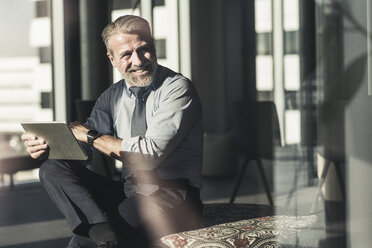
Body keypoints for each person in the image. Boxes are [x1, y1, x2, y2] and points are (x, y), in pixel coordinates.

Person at [22, 15, 203, 248]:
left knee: (80, 244)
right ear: (112, 59)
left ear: (153, 47)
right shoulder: (112, 96)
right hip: (129, 192)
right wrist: (48, 146)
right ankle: (104, 232)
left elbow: (147, 156)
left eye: (144, 49)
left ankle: (106, 236)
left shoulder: (177, 89)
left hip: (173, 195)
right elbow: (85, 151)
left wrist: (90, 135)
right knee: (51, 168)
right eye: (126, 54)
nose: (137, 61)